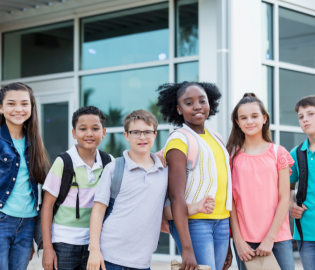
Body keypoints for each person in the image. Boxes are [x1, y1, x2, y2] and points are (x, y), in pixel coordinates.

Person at [156, 82, 233, 270]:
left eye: (202, 101)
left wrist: (228, 242)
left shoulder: (216, 137)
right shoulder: (179, 139)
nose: (197, 106)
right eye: (189, 103)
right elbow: (176, 196)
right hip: (194, 222)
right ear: (179, 109)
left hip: (221, 222)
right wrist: (187, 249)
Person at [227, 93, 295, 270]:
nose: (249, 121)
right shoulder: (232, 156)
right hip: (245, 243)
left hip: (277, 238)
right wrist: (239, 241)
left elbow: (284, 199)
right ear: (237, 122)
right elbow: (231, 203)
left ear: (264, 118)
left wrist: (270, 238)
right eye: (244, 118)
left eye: (254, 116)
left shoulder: (278, 153)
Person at [41, 106, 114, 270]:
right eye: (83, 129)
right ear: (74, 133)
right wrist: (47, 248)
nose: (89, 133)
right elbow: (47, 206)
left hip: (95, 243)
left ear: (103, 132)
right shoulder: (63, 162)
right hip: (63, 242)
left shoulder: (109, 162)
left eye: (95, 128)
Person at [0, 83, 50, 270]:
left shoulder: (34, 141)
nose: (19, 109)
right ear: (1, 108)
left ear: (32, 107)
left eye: (24, 103)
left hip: (27, 222)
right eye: (11, 103)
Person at [289, 95, 315, 270]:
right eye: (301, 116)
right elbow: (288, 188)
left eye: (311, 113)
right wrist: (292, 205)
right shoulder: (296, 153)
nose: (305, 119)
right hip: (305, 233)